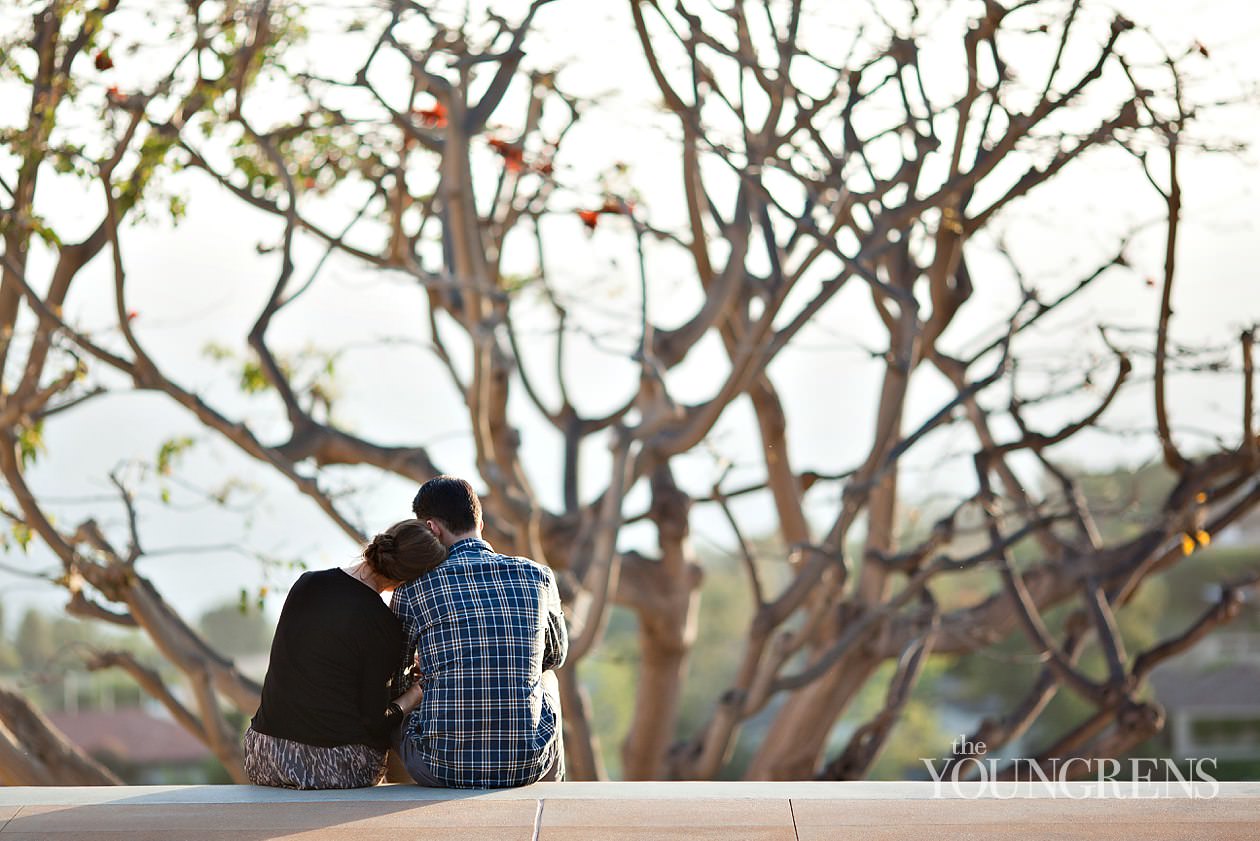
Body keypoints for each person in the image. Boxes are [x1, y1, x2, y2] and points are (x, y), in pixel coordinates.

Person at [391, 476, 568, 788]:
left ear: (431, 529)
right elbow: (555, 656)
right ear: (480, 521)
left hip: (439, 767)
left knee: (402, 704)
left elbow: (395, 676)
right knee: (548, 678)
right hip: (526, 767)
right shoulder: (538, 576)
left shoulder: (413, 588)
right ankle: (553, 794)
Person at [243, 519, 447, 789]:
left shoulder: (307, 583)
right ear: (412, 580)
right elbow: (376, 723)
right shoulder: (384, 625)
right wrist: (415, 694)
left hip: (262, 755)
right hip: (329, 766)